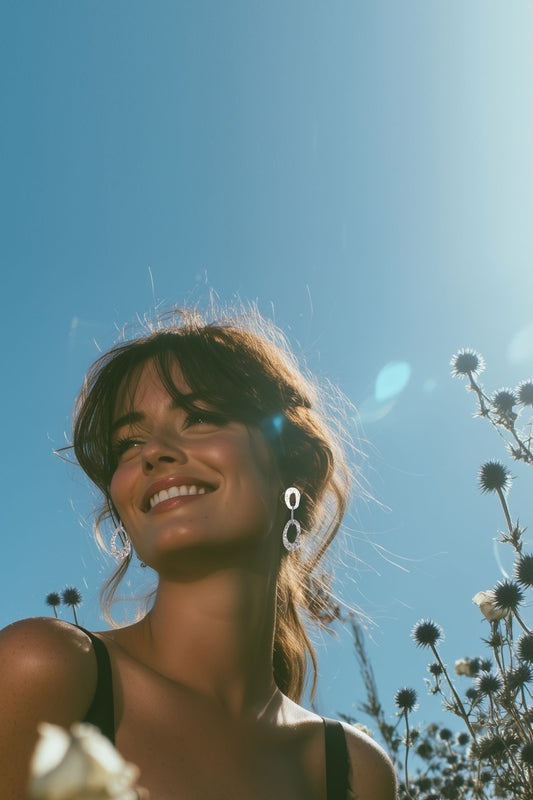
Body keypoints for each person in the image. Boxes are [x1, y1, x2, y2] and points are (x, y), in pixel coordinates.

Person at [0, 307, 396, 800]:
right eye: (128, 443)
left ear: (293, 468)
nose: (153, 452)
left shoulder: (354, 770)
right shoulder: (44, 668)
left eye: (201, 417)